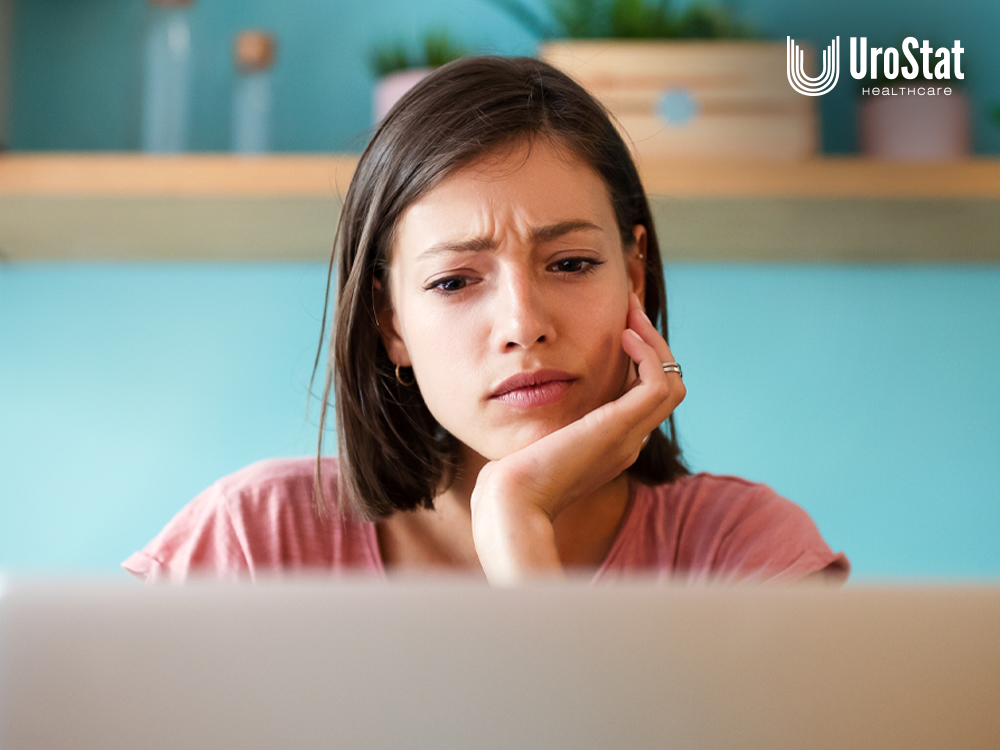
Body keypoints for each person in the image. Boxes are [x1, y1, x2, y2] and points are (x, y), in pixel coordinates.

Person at [124, 56, 848, 586]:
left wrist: (517, 523)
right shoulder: (250, 546)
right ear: (391, 323)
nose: (522, 325)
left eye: (570, 263)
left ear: (634, 274)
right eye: (453, 281)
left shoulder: (747, 555)